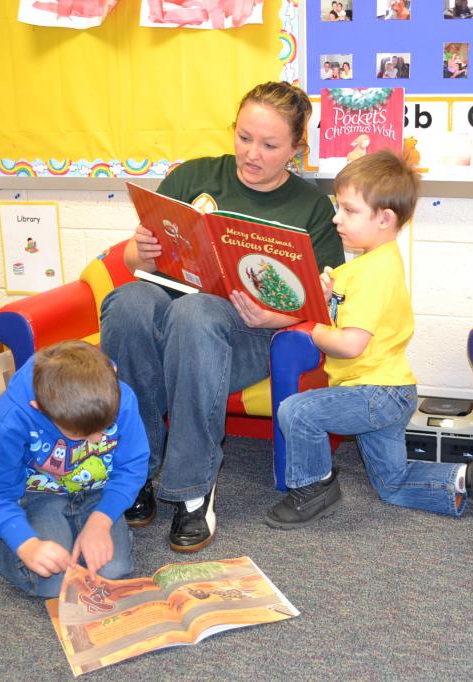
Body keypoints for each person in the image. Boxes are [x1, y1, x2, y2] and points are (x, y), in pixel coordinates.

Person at [100, 81, 345, 552]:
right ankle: (136, 470)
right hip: (164, 312)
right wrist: (143, 254)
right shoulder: (192, 177)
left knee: (195, 314)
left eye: (270, 145)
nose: (252, 154)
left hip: (246, 335)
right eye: (244, 137)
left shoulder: (312, 208)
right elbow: (134, 259)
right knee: (129, 303)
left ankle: (192, 489)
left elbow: (327, 303)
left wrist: (273, 316)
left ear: (298, 148)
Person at [263, 151, 473, 535]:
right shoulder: (366, 266)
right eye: (338, 207)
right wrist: (324, 299)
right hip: (388, 391)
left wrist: (311, 328)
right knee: (392, 484)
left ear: (385, 218)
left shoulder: (374, 272)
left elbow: (352, 344)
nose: (336, 217)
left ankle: (313, 489)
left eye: (349, 210)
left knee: (297, 411)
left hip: (374, 391)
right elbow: (347, 313)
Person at [0, 341, 148, 598]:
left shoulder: (120, 397)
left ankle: (80, 530)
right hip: (41, 495)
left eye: (104, 427)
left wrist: (101, 521)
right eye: (83, 434)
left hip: (99, 492)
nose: (99, 440)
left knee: (114, 570)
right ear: (41, 410)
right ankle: (2, 547)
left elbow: (132, 467)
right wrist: (26, 545)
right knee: (53, 583)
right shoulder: (11, 417)